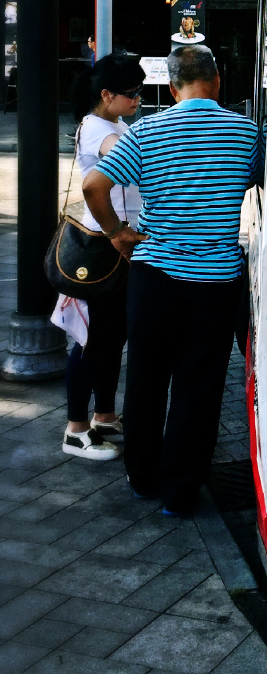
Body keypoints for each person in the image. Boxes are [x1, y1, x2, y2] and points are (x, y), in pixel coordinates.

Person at [82, 45, 260, 516]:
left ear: (172, 86)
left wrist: (118, 233)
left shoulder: (145, 132)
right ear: (216, 82)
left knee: (145, 377)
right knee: (198, 386)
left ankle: (142, 478)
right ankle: (180, 493)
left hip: (155, 276)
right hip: (217, 279)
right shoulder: (247, 133)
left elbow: (93, 186)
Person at [61, 53, 145, 461]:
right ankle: (76, 429)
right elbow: (130, 156)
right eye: (131, 94)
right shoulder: (97, 129)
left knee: (112, 337)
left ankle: (105, 415)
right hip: (99, 247)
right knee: (90, 339)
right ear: (107, 94)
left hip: (117, 249)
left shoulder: (114, 121)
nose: (138, 100)